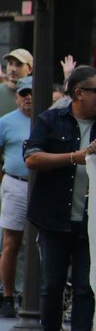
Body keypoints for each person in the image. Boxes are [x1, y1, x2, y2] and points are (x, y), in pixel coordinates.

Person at [25, 67, 96, 331]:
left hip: (92, 221)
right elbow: (33, 158)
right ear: (78, 93)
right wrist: (74, 157)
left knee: (86, 287)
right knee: (52, 286)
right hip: (54, 218)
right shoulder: (49, 121)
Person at [0, 77, 33, 318]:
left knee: (42, 244)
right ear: (17, 97)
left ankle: (33, 295)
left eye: (32, 91)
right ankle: (8, 295)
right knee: (11, 243)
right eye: (24, 93)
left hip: (42, 185)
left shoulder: (47, 120)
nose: (28, 97)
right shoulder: (6, 122)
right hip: (15, 184)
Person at [0, 48, 33, 116]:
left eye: (19, 65)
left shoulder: (37, 95)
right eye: (10, 63)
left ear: (30, 69)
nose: (13, 69)